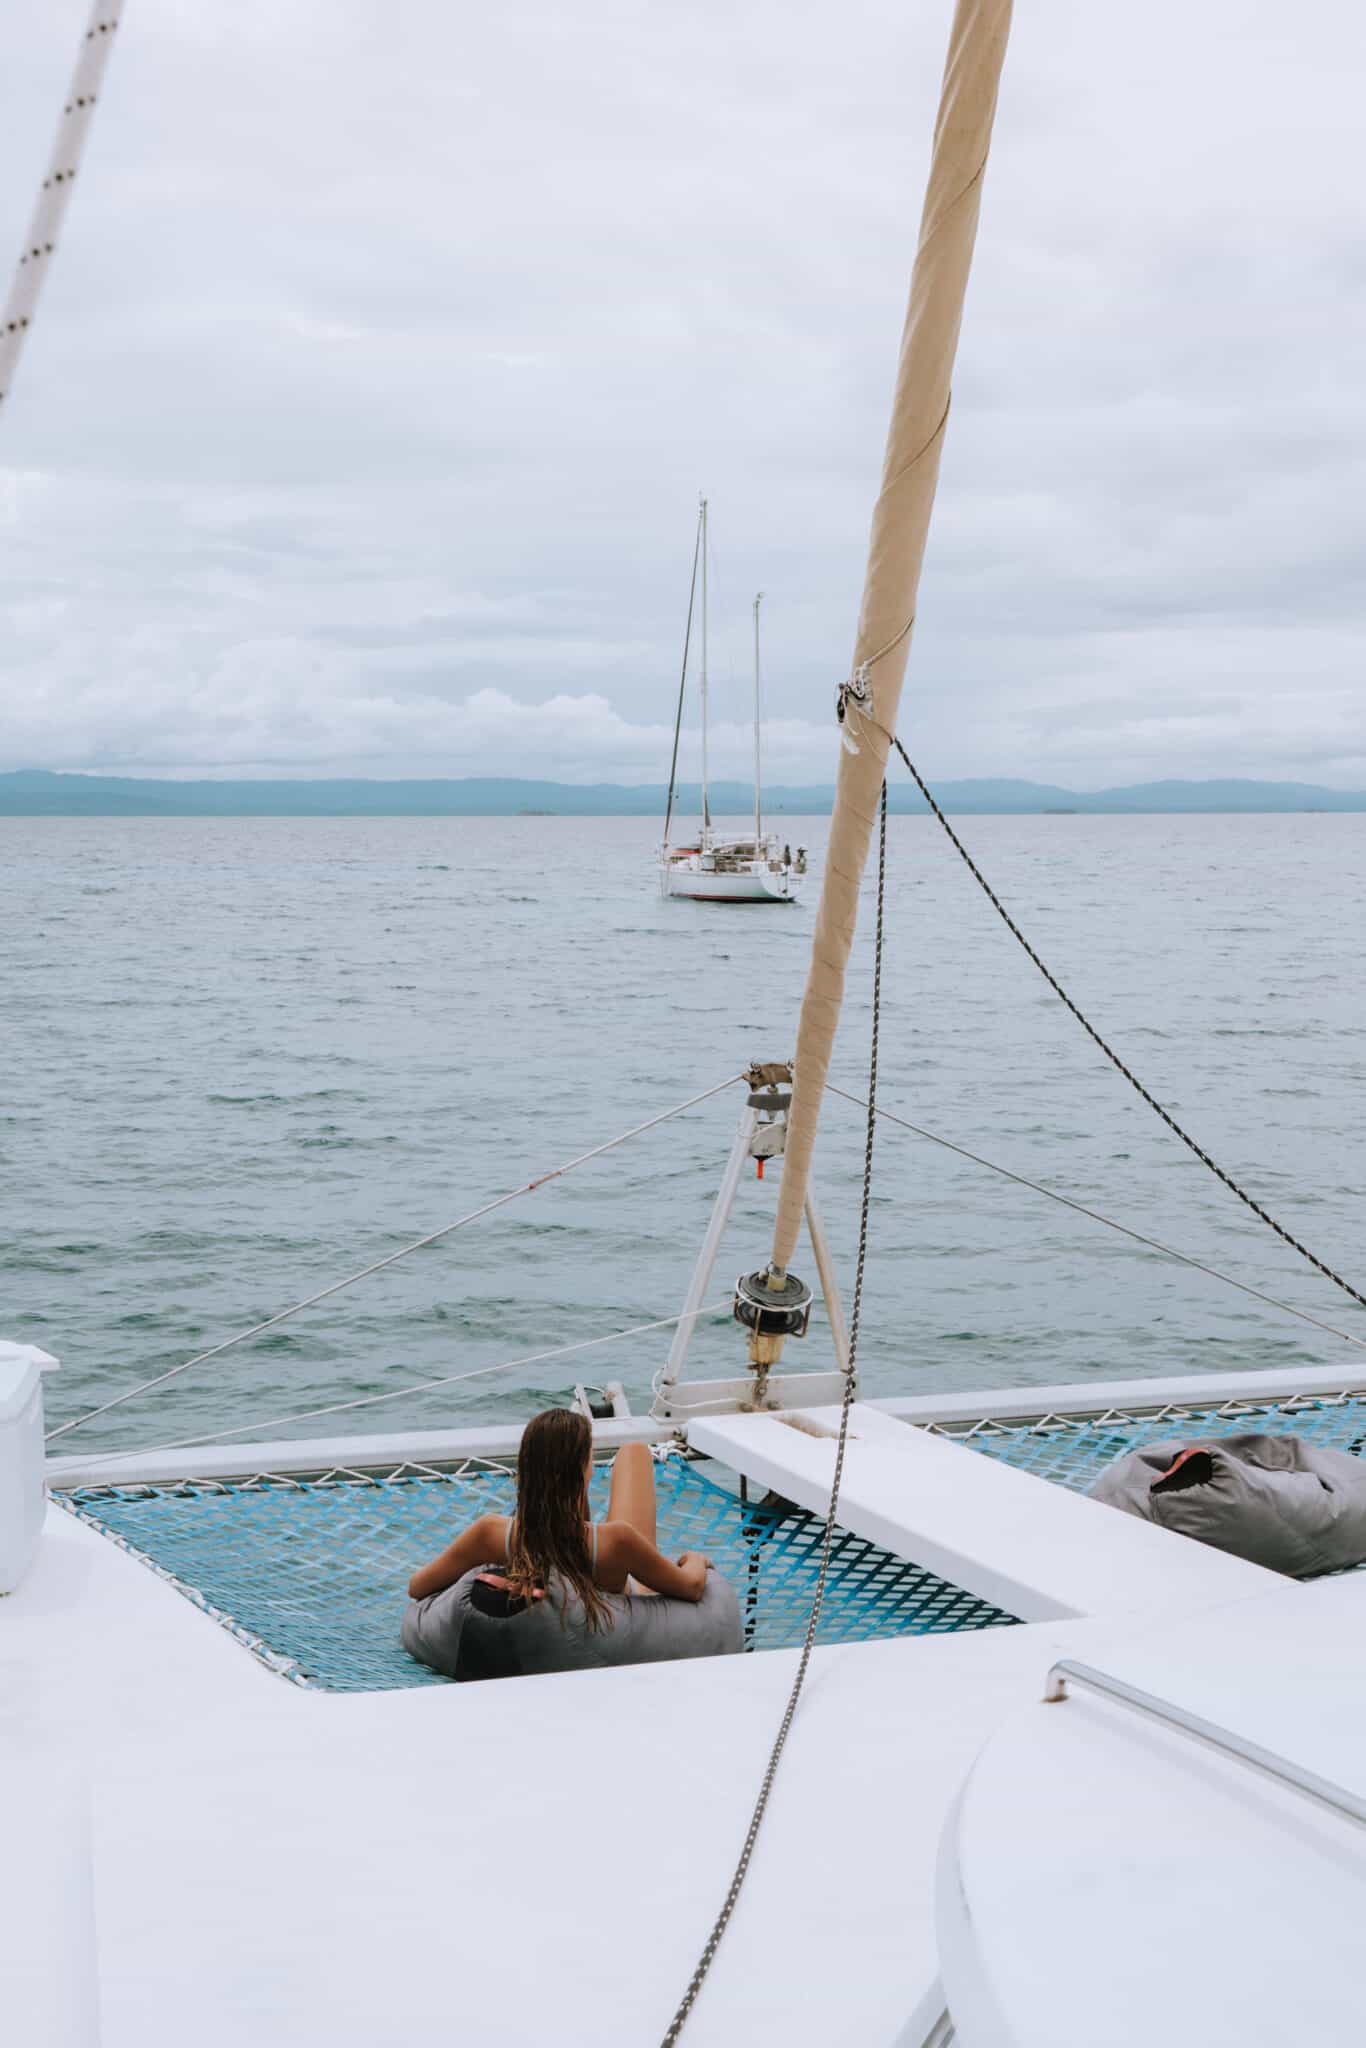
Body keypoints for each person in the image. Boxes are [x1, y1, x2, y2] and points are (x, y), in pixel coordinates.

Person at [407, 1406, 711, 1624]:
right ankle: (575, 1501)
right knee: (634, 1452)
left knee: (628, 1457)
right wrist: (693, 1559)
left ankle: (560, 1499)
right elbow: (691, 1588)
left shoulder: (491, 1534)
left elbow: (417, 1587)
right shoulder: (617, 1540)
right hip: (617, 1585)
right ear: (584, 1470)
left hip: (546, 1546)